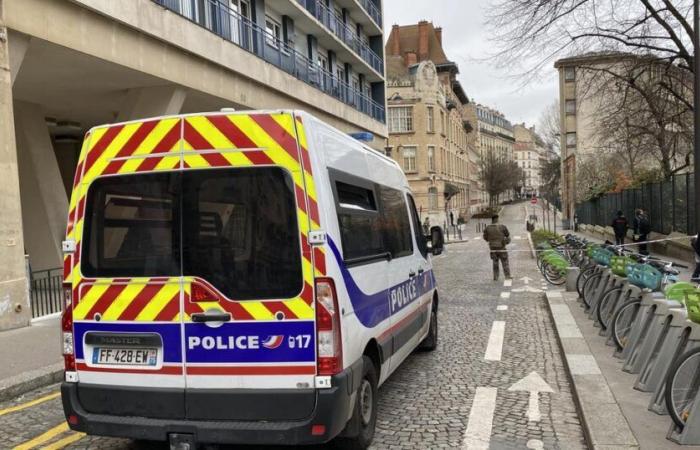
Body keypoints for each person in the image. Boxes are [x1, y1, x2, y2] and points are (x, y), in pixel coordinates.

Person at [483, 214, 512, 281]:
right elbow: (507, 235)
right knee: (505, 262)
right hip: (501, 247)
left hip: (493, 248)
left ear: (492, 220)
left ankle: (496, 276)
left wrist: (490, 240)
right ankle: (507, 276)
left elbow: (485, 237)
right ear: (497, 219)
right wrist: (506, 241)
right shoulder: (502, 227)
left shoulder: (488, 228)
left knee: (495, 262)